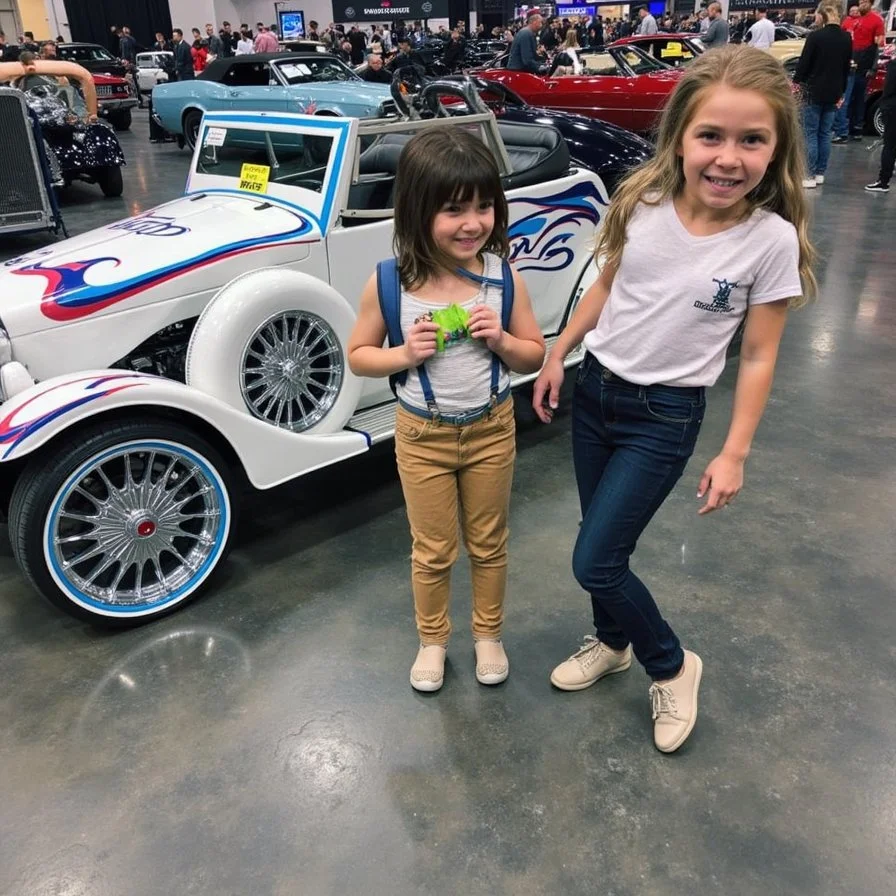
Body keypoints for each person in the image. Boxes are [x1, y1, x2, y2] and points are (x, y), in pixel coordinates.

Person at [532, 45, 815, 753]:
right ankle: (611, 641)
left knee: (596, 559)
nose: (728, 157)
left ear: (776, 150)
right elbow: (605, 288)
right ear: (680, 138)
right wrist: (558, 351)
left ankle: (672, 664)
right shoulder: (642, 201)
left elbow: (757, 353)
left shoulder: (769, 241)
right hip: (596, 394)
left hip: (664, 416)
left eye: (752, 140)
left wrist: (735, 451)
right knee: (599, 536)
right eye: (711, 136)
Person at [347, 128, 546, 693]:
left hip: (491, 428)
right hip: (421, 435)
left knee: (489, 541)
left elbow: (534, 352)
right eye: (454, 209)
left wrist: (503, 342)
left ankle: (488, 633)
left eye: (484, 206)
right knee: (432, 549)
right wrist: (405, 353)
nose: (473, 223)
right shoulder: (390, 283)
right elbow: (359, 358)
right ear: (416, 211)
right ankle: (432, 640)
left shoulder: (502, 277)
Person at [793, 2, 852, 187]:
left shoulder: (815, 37)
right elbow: (846, 68)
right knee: (825, 134)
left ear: (822, 16)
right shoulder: (846, 38)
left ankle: (808, 175)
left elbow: (804, 64)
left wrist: (796, 82)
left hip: (813, 90)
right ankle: (820, 173)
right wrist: (842, 92)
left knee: (810, 133)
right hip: (834, 91)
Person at [838, 0, 885, 141]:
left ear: (870, 3)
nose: (862, 4)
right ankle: (843, 130)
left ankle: (856, 129)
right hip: (850, 64)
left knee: (859, 99)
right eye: (860, 2)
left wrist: (873, 68)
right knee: (847, 99)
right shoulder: (851, 21)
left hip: (864, 66)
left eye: (865, 1)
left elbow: (879, 47)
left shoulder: (876, 20)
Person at [865, 52, 896, 192]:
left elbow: (888, 90)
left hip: (892, 108)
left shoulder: (893, 65)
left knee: (889, 145)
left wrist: (884, 106)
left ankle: (883, 181)